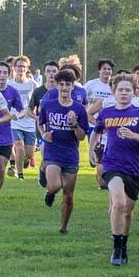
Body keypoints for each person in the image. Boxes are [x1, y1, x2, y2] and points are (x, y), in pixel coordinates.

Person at [90, 74, 139, 266]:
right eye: (120, 89)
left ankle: (124, 244)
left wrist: (134, 135)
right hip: (112, 164)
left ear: (134, 92)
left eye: (128, 90)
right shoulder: (106, 112)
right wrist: (91, 151)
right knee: (118, 203)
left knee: (128, 211)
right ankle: (116, 248)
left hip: (134, 168)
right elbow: (96, 132)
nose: (123, 93)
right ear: (114, 91)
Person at [36, 68, 88, 233]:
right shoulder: (49, 104)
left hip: (71, 155)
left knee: (68, 196)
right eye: (61, 84)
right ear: (57, 86)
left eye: (68, 84)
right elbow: (40, 122)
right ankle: (48, 188)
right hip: (53, 152)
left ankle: (63, 227)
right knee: (55, 186)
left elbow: (81, 137)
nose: (64, 87)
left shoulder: (79, 109)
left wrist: (74, 123)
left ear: (73, 86)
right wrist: (44, 134)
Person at [0, 60, 25, 200]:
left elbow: (22, 110)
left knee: (1, 169)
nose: (2, 75)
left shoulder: (12, 92)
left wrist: (17, 115)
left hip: (5, 136)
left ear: (9, 74)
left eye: (5, 73)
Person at [9, 56, 38, 178]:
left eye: (24, 66)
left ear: (27, 69)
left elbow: (38, 100)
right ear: (14, 68)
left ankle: (26, 159)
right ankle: (20, 174)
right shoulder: (9, 84)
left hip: (29, 121)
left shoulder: (33, 84)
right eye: (19, 66)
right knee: (19, 146)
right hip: (14, 121)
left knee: (29, 152)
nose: (21, 68)